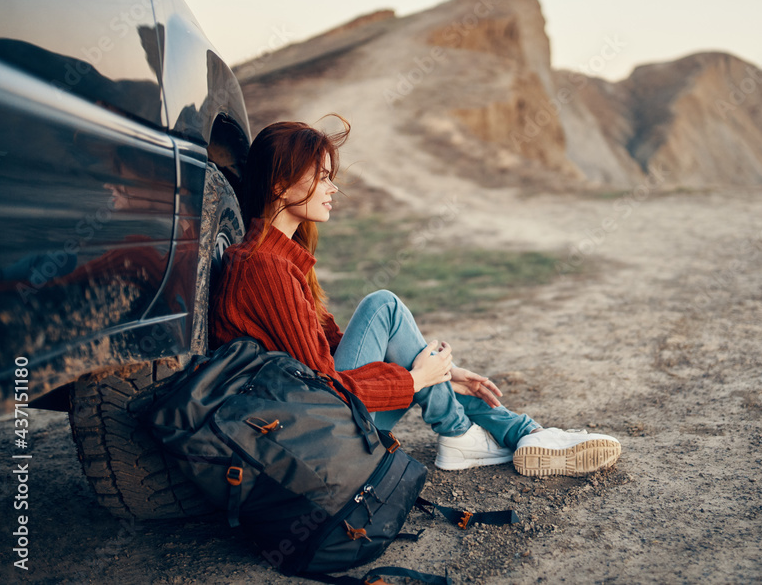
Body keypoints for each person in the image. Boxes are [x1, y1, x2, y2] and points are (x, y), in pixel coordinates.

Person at [209, 117, 621, 477]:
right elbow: (322, 389)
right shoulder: (263, 266)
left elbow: (329, 348)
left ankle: (522, 434)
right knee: (382, 306)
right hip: (310, 438)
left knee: (396, 326)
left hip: (318, 422)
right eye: (321, 176)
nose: (333, 188)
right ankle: (479, 434)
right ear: (280, 184)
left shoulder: (277, 260)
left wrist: (444, 372)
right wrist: (414, 378)